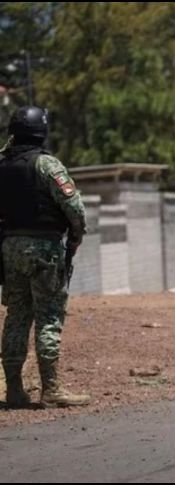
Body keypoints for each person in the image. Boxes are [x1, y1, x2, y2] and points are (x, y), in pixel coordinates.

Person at [0, 106, 90, 409]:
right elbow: (75, 209)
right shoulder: (47, 165)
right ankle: (51, 388)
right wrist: (75, 238)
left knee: (16, 316)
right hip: (45, 249)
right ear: (42, 131)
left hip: (10, 249)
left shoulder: (2, 165)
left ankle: (14, 390)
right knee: (49, 317)